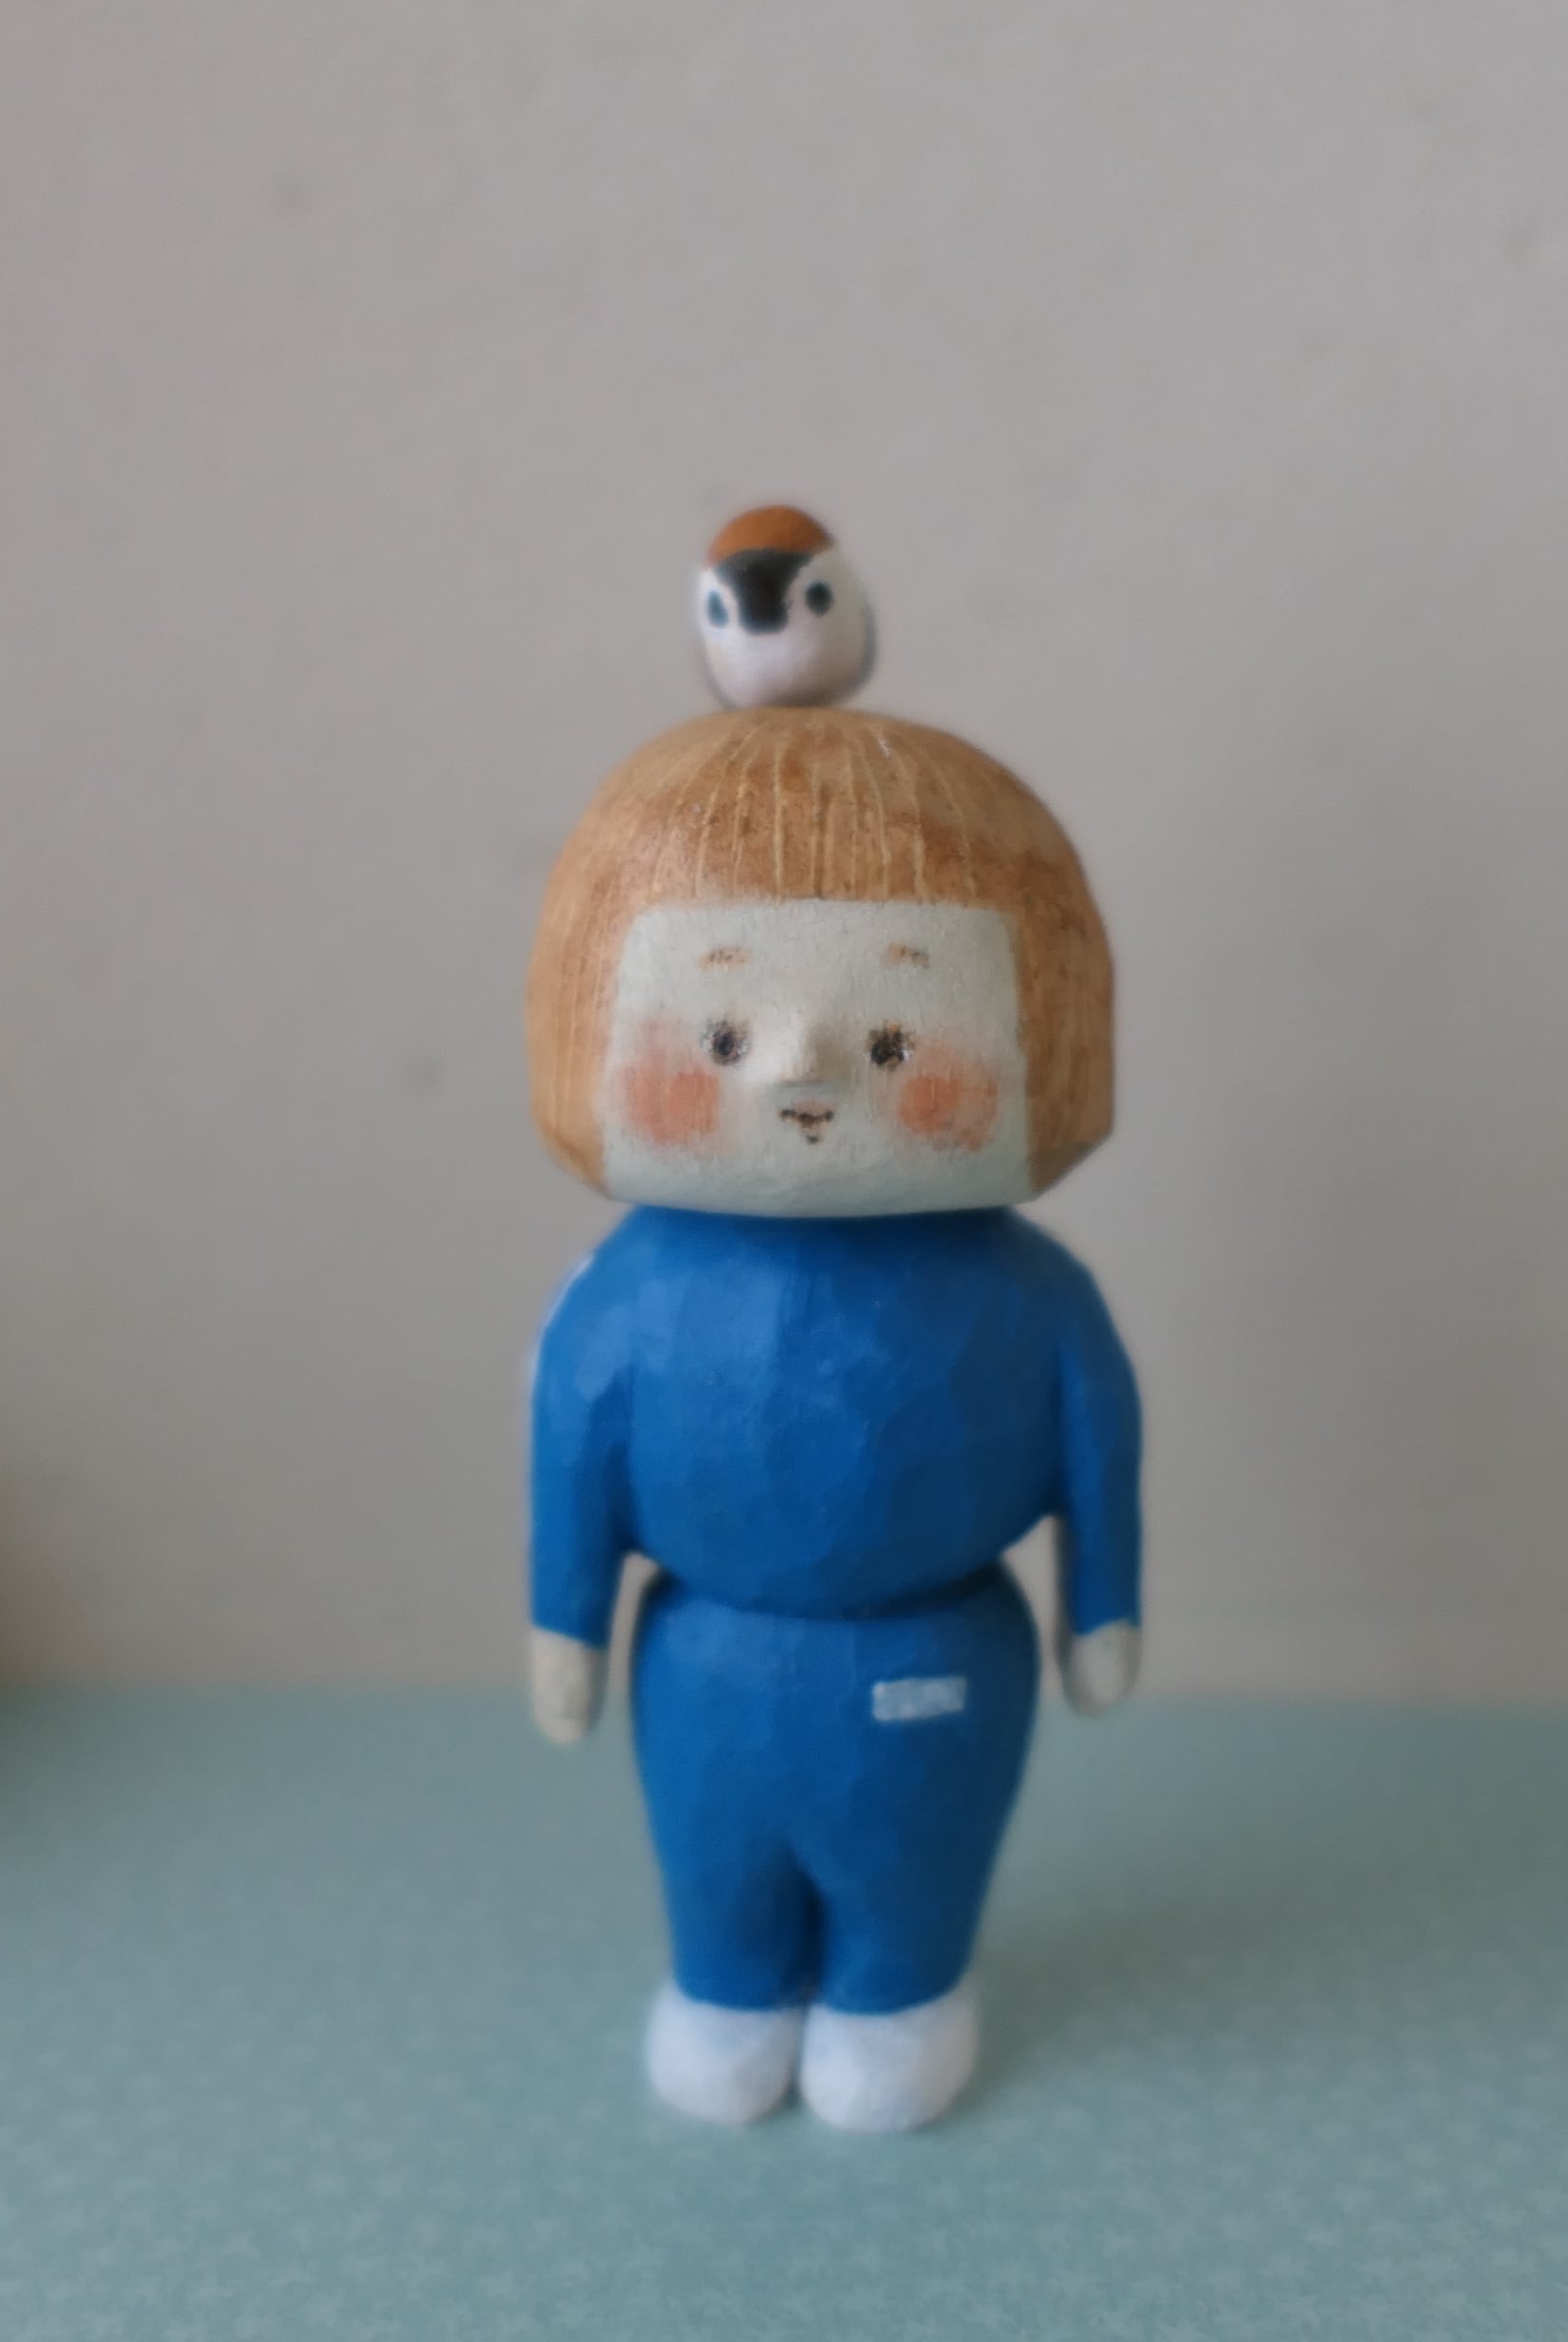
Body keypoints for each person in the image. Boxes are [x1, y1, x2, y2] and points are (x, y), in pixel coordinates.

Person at [522, 510, 1142, 2132]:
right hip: (707, 1665)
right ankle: (727, 1981)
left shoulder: (1025, 1295)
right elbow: (573, 1438)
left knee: (908, 1872)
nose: (800, 1073)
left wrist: (1104, 1603)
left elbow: (1098, 1433)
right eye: (724, 1034)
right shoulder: (635, 1291)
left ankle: (901, 1986)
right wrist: (565, 1620)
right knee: (717, 1867)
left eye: (887, 1042)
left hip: (940, 1661)